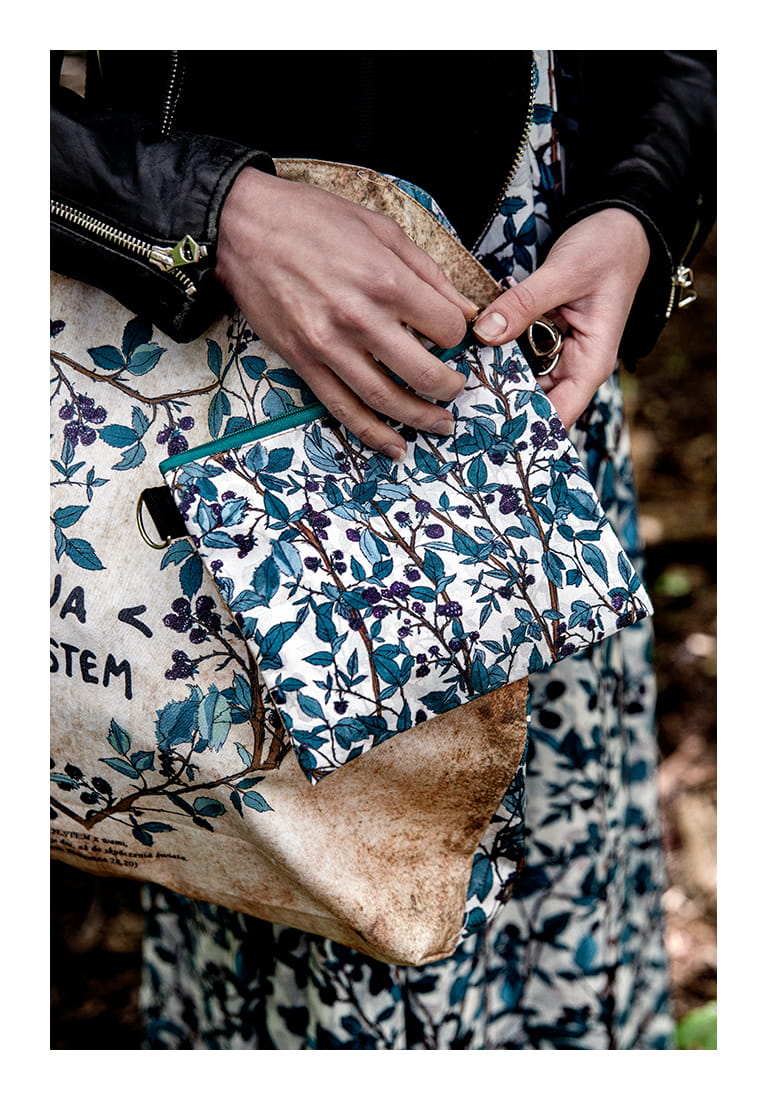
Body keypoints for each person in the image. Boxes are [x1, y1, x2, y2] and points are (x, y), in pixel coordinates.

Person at [51, 50, 716, 1049]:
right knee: (293, 852)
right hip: (221, 345)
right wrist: (210, 212)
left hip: (523, 366)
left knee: (535, 829)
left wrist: (641, 202)